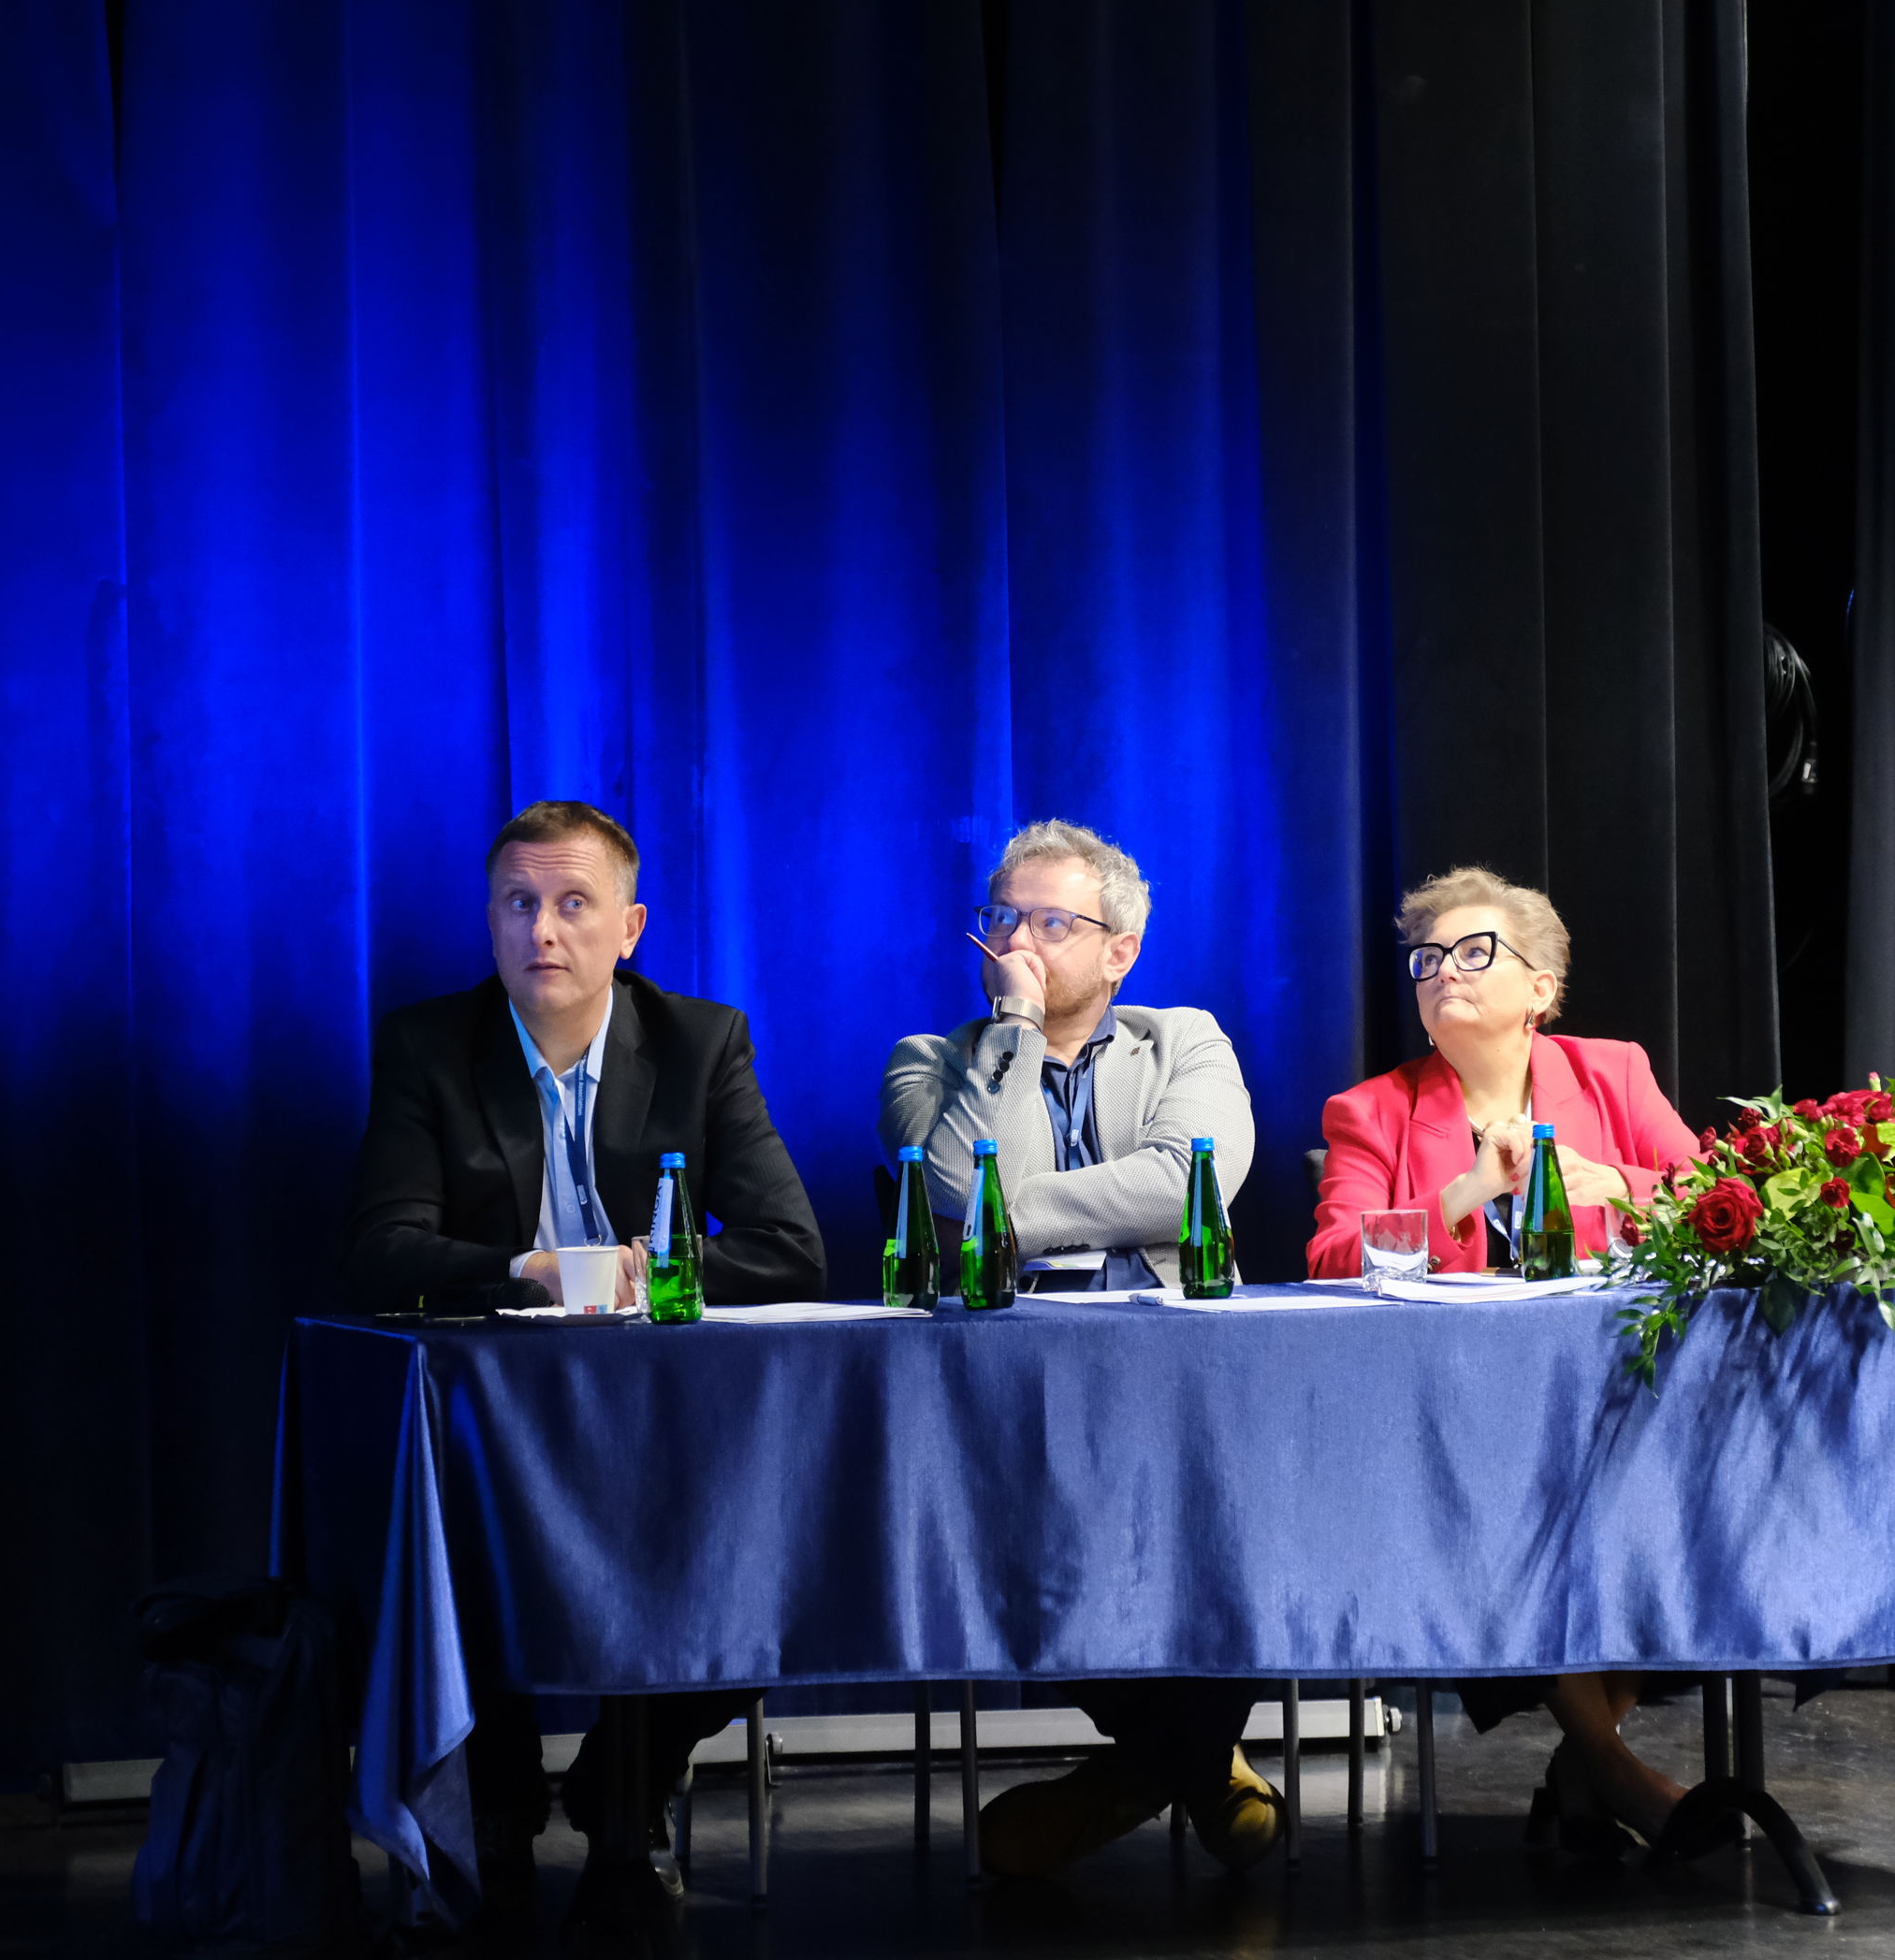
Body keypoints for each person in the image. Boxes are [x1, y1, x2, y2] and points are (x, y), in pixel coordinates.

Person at [344, 800, 826, 1912]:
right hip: (494, 1418)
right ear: (491, 923)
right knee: (464, 1536)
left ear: (630, 927)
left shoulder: (700, 1042)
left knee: (761, 1540)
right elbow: (377, 1253)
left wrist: (634, 1275)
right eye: (519, 905)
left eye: (572, 904)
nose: (544, 931)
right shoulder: (428, 1046)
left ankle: (629, 1784)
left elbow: (790, 1247)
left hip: (668, 1415)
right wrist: (532, 1268)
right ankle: (494, 1801)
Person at [878, 819, 1280, 1876]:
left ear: (1119, 952)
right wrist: (1012, 1030)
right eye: (1002, 919)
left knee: (1233, 1527)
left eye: (1052, 923)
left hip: (1181, 1378)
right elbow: (959, 1189)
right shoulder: (929, 1063)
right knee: (1032, 1546)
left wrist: (1014, 1212)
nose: (1018, 942)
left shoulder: (1183, 1040)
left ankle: (1135, 1780)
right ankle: (1205, 1767)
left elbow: (1190, 1184)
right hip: (1005, 1387)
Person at [1308, 865, 1719, 1854]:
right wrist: (1464, 1191)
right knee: (1517, 1506)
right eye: (1428, 958)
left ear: (1541, 986)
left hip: (1613, 1399)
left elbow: (1718, 1199)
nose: (1444, 970)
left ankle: (1585, 1772)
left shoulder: (1613, 1074)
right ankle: (1618, 1777)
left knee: (1661, 1495)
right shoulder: (1371, 1111)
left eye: (1473, 951)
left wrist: (1611, 1181)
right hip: (1453, 1423)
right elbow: (1328, 1258)